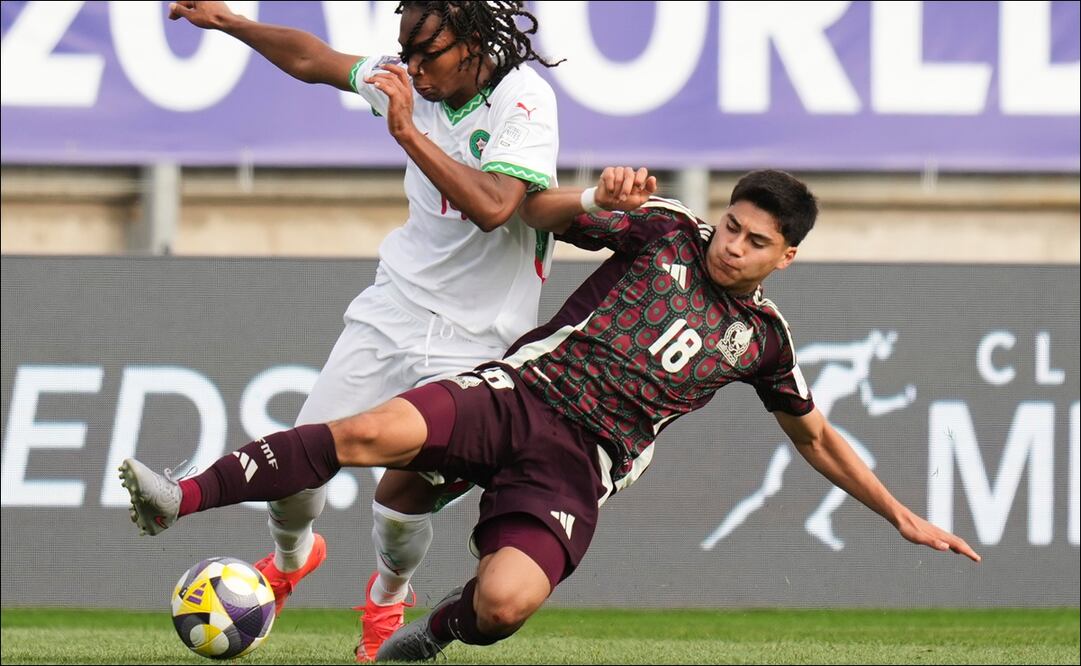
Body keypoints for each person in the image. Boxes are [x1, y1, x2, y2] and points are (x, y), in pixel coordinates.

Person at [120, 167, 981, 661]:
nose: (730, 245)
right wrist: (595, 194)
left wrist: (901, 514)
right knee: (370, 437)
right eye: (730, 226)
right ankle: (180, 498)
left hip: (578, 465)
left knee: (503, 607)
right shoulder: (666, 231)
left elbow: (816, 439)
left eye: (755, 241)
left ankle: (431, 633)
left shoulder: (764, 341)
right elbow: (533, 212)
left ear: (784, 258)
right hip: (519, 394)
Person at [165, 1, 562, 660]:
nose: (410, 68)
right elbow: (313, 59)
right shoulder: (409, 82)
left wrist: (409, 132)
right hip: (393, 311)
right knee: (294, 478)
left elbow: (496, 207)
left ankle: (386, 597)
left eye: (424, 54)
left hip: (479, 345)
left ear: (469, 43)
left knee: (398, 505)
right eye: (403, 53)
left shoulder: (523, 101)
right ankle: (290, 561)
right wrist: (231, 23)